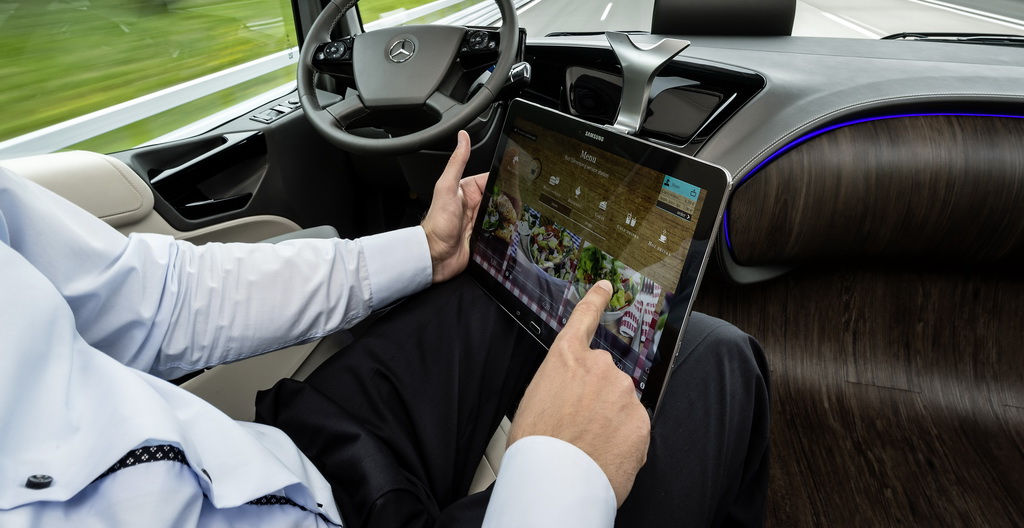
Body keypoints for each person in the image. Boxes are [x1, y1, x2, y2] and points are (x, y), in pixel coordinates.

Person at [0, 131, 770, 527]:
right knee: (710, 362)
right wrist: (561, 478)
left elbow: (152, 297)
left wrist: (423, 250)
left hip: (285, 459)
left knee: (501, 283)